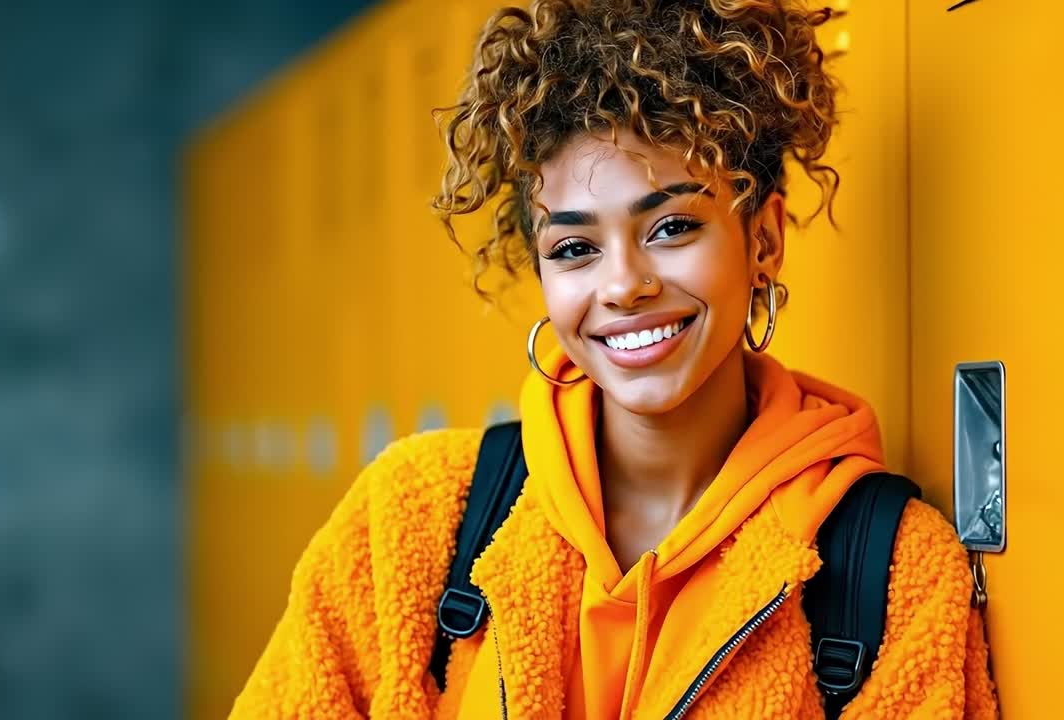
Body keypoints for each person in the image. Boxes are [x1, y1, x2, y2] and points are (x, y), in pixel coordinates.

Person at [231, 1, 998, 717]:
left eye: (670, 228)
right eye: (574, 249)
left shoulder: (891, 572)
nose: (624, 285)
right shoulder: (413, 523)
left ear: (761, 240)